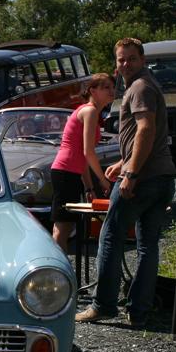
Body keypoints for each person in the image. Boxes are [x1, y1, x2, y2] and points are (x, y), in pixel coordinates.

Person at [75, 38, 176, 329]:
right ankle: (139, 310)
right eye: (121, 59)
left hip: (143, 180)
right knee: (147, 246)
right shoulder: (147, 85)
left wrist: (130, 173)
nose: (125, 64)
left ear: (142, 60)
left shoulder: (140, 87)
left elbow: (146, 129)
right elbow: (149, 138)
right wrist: (123, 161)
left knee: (110, 237)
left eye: (131, 58)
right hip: (162, 176)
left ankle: (103, 305)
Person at [48, 73, 113, 252]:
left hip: (69, 172)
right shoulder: (90, 111)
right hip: (65, 171)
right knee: (62, 227)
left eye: (112, 87)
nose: (111, 91)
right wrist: (103, 180)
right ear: (93, 90)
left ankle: (58, 269)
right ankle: (56, 269)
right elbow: (88, 152)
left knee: (66, 227)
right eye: (106, 87)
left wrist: (89, 188)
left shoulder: (91, 112)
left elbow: (83, 157)